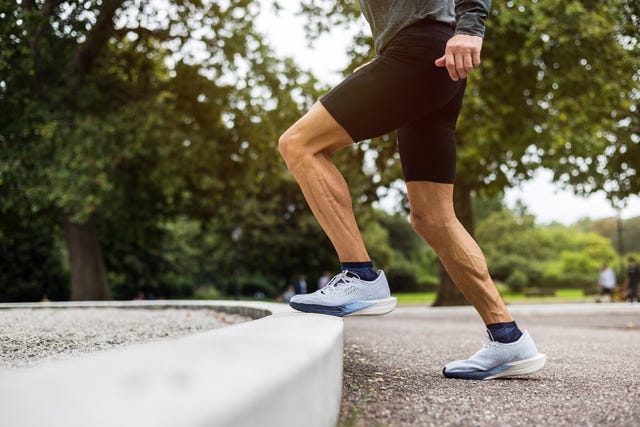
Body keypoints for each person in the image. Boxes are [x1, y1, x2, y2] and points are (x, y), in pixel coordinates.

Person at [278, 0, 546, 380]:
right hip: (426, 58)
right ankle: (508, 337)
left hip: (424, 49)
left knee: (299, 144)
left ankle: (360, 276)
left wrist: (470, 26)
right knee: (433, 218)